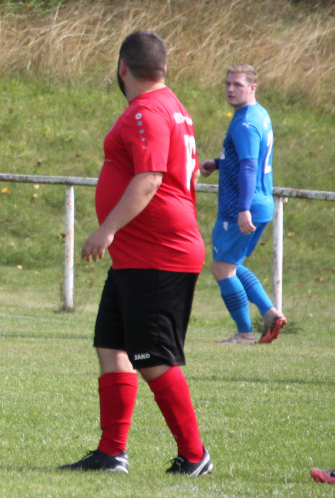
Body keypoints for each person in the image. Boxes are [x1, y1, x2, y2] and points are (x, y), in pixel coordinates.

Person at [60, 31, 212, 476]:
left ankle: (194, 454)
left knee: (154, 358)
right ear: (163, 68)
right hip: (140, 254)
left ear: (123, 67)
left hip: (158, 254)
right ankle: (111, 453)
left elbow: (149, 179)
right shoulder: (176, 108)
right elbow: (187, 177)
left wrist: (106, 230)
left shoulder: (147, 111)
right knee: (111, 346)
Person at [199, 64, 287, 344]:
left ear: (253, 87)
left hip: (241, 204)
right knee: (232, 264)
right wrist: (219, 164)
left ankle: (244, 333)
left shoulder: (246, 123)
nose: (230, 89)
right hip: (261, 202)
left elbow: (250, 166)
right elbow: (248, 160)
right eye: (227, 84)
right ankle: (270, 313)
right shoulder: (259, 115)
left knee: (221, 268)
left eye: (237, 84)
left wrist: (242, 209)